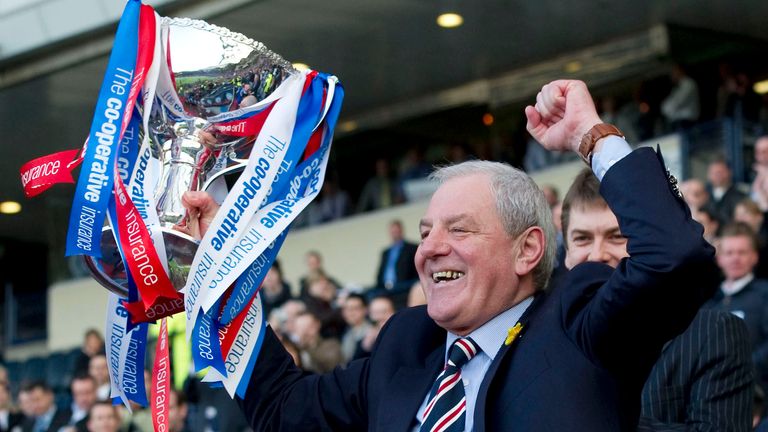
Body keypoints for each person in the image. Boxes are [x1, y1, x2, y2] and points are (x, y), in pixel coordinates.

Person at [181, 80, 717, 430]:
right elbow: (282, 412)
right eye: (424, 230)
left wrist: (591, 136)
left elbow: (674, 255)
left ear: (528, 248)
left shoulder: (578, 319)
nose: (430, 248)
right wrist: (219, 272)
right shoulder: (405, 345)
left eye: (458, 230)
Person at [561, 168, 753, 430]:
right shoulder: (545, 339)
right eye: (582, 238)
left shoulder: (714, 334)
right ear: (566, 254)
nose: (597, 254)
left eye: (617, 236)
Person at [706, 222, 768, 392]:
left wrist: (742, 371)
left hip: (756, 393)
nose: (735, 258)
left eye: (742, 252)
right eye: (729, 253)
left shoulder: (764, 294)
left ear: (754, 257)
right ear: (719, 259)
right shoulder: (709, 300)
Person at [372, 220, 419, 296]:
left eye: (396, 231)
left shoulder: (412, 248)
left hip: (404, 286)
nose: (394, 233)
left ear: (401, 231)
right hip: (385, 288)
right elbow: (380, 273)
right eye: (392, 231)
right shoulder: (385, 252)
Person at [707, 157, 747, 225]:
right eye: (713, 172)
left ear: (729, 172)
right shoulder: (705, 196)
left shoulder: (740, 196)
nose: (717, 175)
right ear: (709, 175)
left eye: (720, 172)